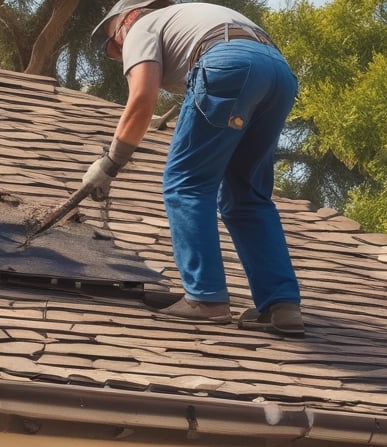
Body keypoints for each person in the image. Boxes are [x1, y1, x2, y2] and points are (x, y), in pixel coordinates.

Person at [83, 0, 304, 335]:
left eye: (116, 42)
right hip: (278, 73)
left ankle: (205, 298)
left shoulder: (140, 26)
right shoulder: (188, 18)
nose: (120, 51)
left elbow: (142, 97)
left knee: (186, 183)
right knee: (247, 195)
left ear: (126, 19)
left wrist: (110, 163)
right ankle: (281, 307)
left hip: (227, 63)